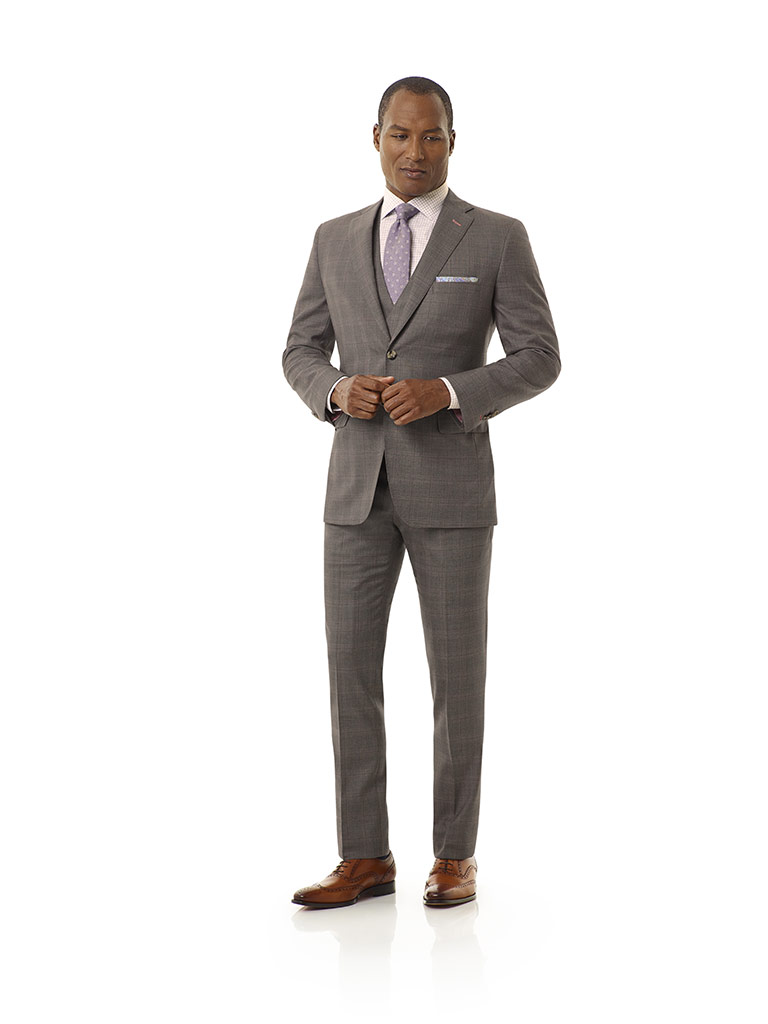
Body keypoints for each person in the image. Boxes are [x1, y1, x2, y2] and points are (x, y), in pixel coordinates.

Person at [283, 76, 560, 908]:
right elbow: (299, 350)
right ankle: (364, 857)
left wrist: (448, 392)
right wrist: (336, 390)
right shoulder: (333, 238)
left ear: (452, 142)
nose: (416, 151)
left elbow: (540, 355)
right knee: (350, 674)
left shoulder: (497, 237)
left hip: (452, 490)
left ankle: (454, 854)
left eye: (432, 136)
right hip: (355, 492)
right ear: (375, 138)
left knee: (455, 676)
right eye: (401, 135)